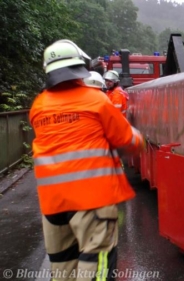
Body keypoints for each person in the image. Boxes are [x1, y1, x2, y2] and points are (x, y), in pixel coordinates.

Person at [30, 39, 145, 281]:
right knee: (96, 266)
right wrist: (139, 139)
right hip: (92, 199)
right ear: (79, 67)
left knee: (63, 268)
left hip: (53, 203)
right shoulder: (95, 100)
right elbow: (126, 140)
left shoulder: (39, 106)